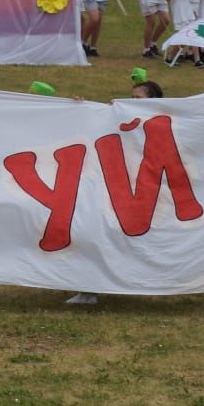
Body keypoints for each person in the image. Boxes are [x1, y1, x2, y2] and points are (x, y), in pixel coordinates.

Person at [66, 78, 164, 306]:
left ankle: (152, 284)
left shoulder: (161, 123)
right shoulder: (119, 118)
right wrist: (79, 109)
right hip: (113, 190)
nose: (131, 102)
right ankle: (88, 289)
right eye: (131, 97)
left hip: (145, 195)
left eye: (137, 99)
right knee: (93, 235)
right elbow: (91, 127)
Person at [164, 0, 202, 67]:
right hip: (180, 13)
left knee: (193, 35)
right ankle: (170, 58)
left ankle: (197, 60)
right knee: (181, 40)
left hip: (187, 11)